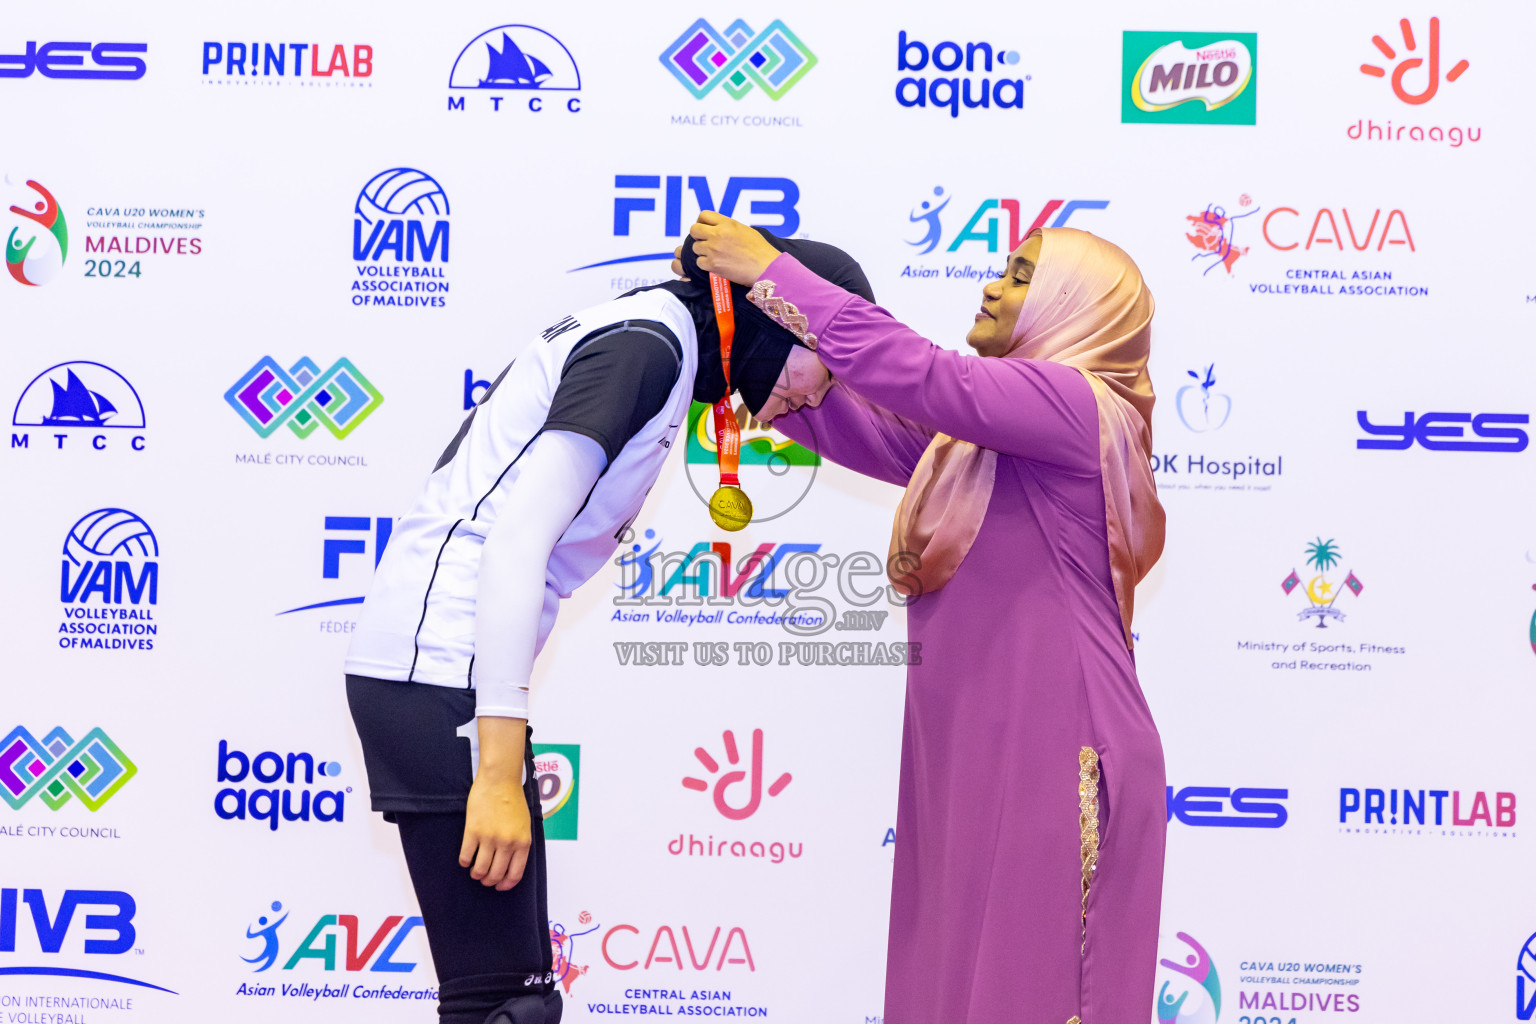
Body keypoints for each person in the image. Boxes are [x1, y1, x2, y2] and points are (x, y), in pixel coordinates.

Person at [343, 238, 874, 1024]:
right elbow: (516, 543)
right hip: (441, 666)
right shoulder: (647, 345)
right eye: (821, 370)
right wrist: (495, 774)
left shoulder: (659, 339)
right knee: (504, 1003)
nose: (813, 398)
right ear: (774, 320)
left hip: (446, 668)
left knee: (510, 996)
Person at [684, 212, 1167, 1024]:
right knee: (950, 989)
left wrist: (774, 272)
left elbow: (922, 375)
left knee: (1030, 995)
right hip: (973, 753)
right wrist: (776, 374)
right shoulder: (977, 446)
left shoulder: (1080, 407)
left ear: (1075, 307)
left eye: (1021, 276)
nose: (992, 284)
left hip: (1057, 749)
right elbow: (870, 424)